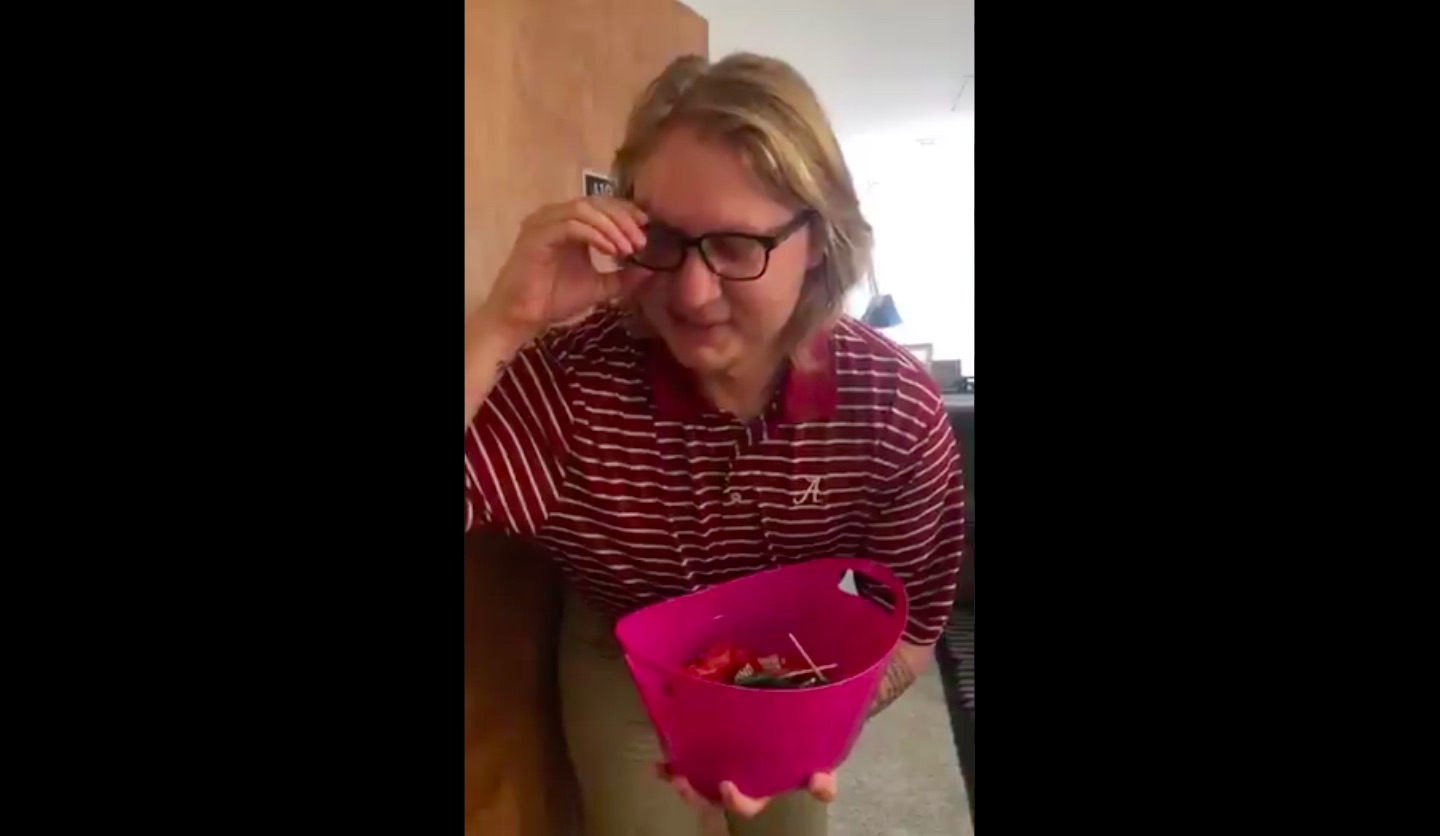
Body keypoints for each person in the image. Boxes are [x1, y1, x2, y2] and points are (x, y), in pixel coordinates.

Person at [463, 52, 966, 836]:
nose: (693, 295)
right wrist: (502, 322)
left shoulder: (892, 408)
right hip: (627, 650)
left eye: (737, 246)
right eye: (663, 238)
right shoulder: (569, 388)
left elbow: (908, 626)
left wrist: (804, 721)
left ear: (819, 241)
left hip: (799, 662)